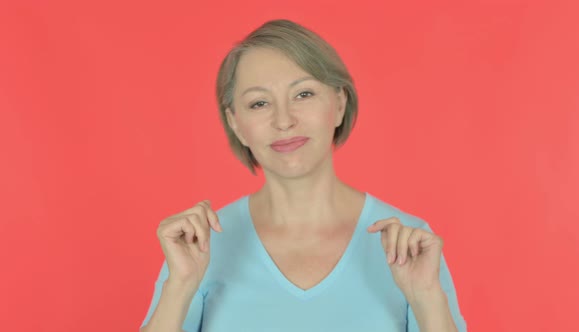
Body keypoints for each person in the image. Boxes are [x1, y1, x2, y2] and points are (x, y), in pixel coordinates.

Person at [140, 19, 467, 332]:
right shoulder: (201, 246)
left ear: (339, 104)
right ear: (236, 123)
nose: (283, 120)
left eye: (303, 94)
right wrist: (179, 286)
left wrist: (426, 298)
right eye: (259, 103)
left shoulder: (411, 244)